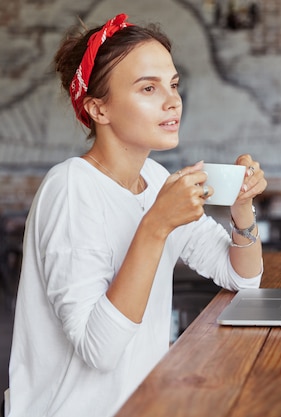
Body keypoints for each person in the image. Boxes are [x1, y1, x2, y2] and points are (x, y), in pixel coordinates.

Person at [7, 13, 266, 417]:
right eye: (149, 87)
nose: (172, 100)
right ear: (98, 109)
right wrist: (157, 225)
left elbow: (242, 277)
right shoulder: (72, 188)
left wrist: (241, 206)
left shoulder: (153, 178)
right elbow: (99, 350)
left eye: (173, 84)